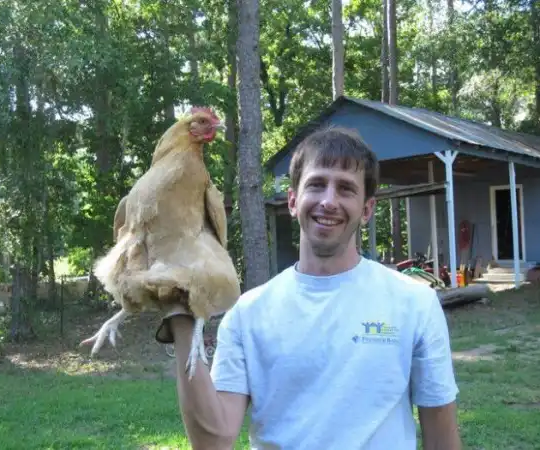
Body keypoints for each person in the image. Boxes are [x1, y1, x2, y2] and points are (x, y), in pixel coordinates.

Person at [155, 126, 461, 450]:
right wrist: (180, 316)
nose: (328, 201)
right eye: (316, 185)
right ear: (293, 200)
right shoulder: (248, 314)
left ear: (367, 210)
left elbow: (441, 437)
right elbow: (212, 443)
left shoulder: (414, 303)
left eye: (345, 189)